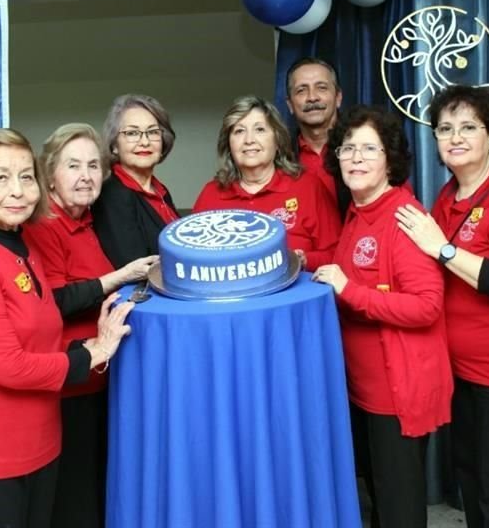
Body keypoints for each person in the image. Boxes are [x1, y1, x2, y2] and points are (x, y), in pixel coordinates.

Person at [0, 128, 134, 528]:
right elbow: (9, 366)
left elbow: (42, 340)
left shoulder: (21, 248)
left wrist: (92, 340)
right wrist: (94, 353)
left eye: (26, 176)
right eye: (0, 177)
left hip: (39, 447)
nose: (18, 190)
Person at [395, 85, 489, 528]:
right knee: (473, 482)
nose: (455, 137)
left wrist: (443, 250)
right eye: (445, 128)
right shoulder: (446, 196)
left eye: (468, 127)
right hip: (458, 370)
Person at [312, 105, 451, 528]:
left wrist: (349, 290)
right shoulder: (357, 214)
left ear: (389, 158)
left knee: (398, 509)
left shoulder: (402, 217)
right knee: (376, 499)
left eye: (369, 149)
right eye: (347, 148)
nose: (355, 158)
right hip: (364, 390)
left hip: (398, 392)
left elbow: (426, 305)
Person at [22, 123, 157, 527]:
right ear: (49, 174)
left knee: (100, 494)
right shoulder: (42, 225)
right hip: (69, 386)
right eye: (73, 165)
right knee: (75, 502)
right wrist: (118, 276)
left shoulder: (90, 220)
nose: (85, 176)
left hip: (103, 381)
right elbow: (55, 302)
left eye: (94, 166)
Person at [193, 95, 341, 271]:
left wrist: (303, 260)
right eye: (239, 131)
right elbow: (191, 259)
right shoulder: (211, 194)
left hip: (293, 295)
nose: (249, 140)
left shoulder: (308, 187)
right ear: (228, 144)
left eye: (260, 129)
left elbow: (337, 254)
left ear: (277, 140)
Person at [91, 93, 179, 268]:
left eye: (153, 132)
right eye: (132, 133)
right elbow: (135, 267)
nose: (144, 141)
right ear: (115, 145)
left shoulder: (161, 191)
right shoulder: (112, 194)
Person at [285, 57, 348, 213]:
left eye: (321, 88)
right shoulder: (280, 157)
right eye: (301, 90)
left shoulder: (365, 149)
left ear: (338, 98)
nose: (312, 97)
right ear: (290, 105)